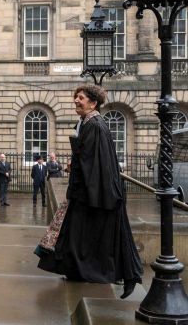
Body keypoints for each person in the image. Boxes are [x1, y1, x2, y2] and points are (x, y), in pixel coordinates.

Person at [37, 84, 143, 299]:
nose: (76, 100)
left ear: (93, 103)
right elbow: (89, 157)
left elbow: (94, 162)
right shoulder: (88, 123)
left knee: (103, 234)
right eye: (76, 97)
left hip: (93, 193)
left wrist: (77, 164)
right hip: (88, 192)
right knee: (76, 235)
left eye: (81, 98)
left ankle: (127, 276)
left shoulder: (94, 124)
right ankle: (80, 271)